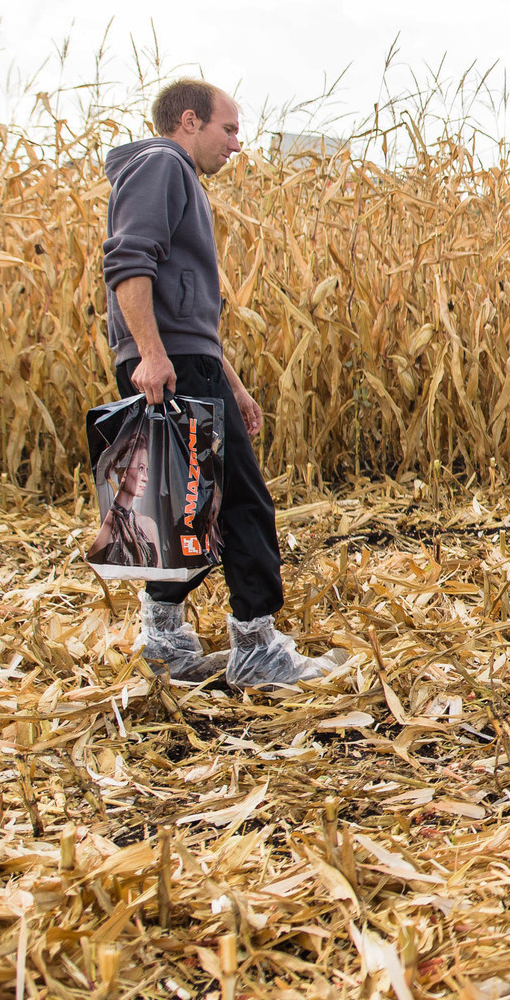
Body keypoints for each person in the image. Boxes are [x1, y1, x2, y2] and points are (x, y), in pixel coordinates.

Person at [103, 79, 345, 687]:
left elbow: (190, 316)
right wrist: (154, 358)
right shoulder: (163, 165)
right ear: (189, 121)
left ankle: (165, 643)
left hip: (182, 361)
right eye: (229, 129)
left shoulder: (163, 174)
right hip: (171, 367)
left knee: (167, 505)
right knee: (239, 500)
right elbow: (128, 263)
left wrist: (230, 382)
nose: (237, 144)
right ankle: (257, 647)